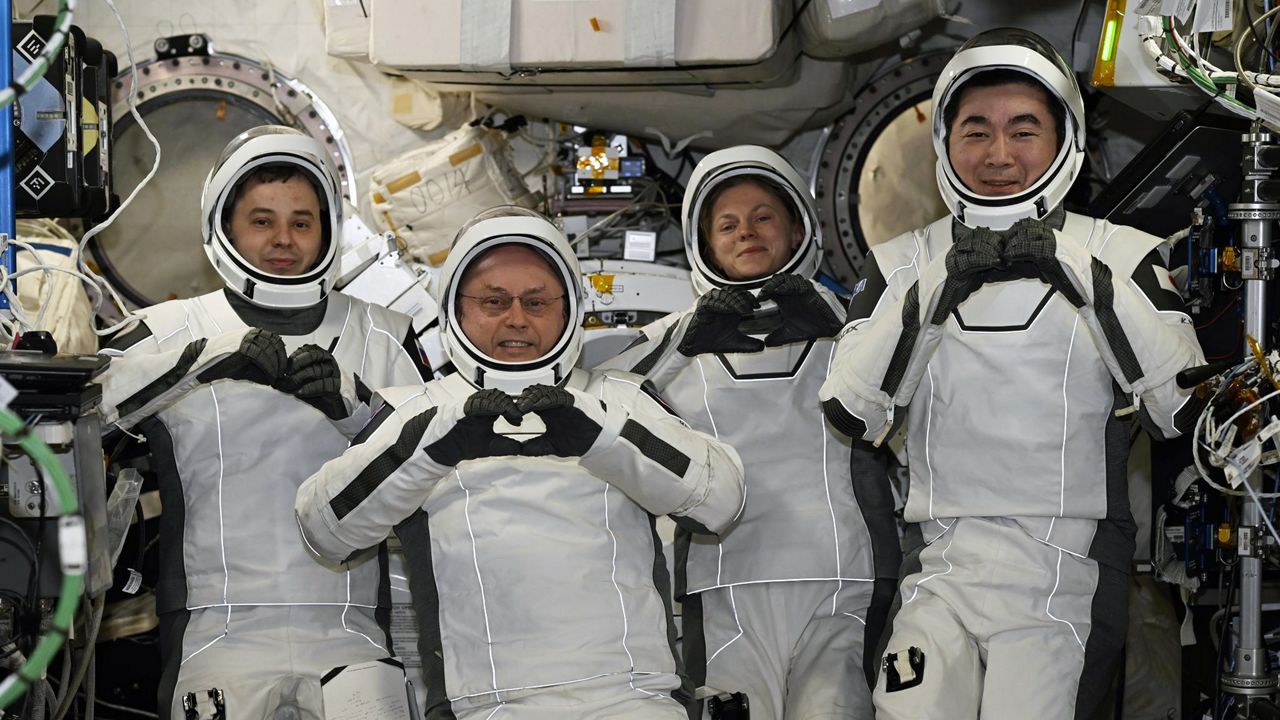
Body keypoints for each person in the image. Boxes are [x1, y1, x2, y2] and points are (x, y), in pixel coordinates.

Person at [818, 29, 1206, 720]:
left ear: (1065, 140)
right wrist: (939, 285)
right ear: (943, 143)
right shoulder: (899, 263)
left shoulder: (1125, 254)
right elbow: (852, 411)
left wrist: (1083, 276)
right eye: (977, 131)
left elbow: (1180, 408)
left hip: (1065, 563)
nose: (999, 154)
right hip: (941, 561)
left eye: (1023, 130)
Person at [294, 206, 746, 719]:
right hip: (487, 704)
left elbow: (721, 502)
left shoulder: (621, 398)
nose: (516, 319)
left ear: (567, 309)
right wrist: (437, 441)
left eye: (536, 302)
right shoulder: (415, 412)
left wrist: (600, 435)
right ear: (457, 312)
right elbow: (325, 529)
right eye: (494, 302)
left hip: (632, 697)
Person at [96, 126, 428, 719]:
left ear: (327, 230)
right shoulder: (165, 332)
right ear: (223, 226)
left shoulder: (388, 336)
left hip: (352, 626)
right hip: (217, 627)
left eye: (302, 221)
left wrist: (365, 410)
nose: (283, 239)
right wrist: (194, 365)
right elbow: (74, 422)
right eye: (262, 220)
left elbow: (435, 473)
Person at [604, 145, 900, 719]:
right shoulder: (674, 344)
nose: (747, 233)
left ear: (795, 229)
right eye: (728, 224)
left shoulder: (859, 329)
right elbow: (594, 407)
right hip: (723, 589)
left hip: (845, 578)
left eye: (764, 217)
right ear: (704, 243)